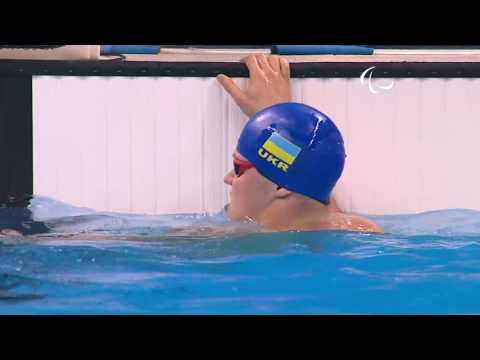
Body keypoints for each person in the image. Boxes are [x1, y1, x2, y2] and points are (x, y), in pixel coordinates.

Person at [216, 54, 382, 233]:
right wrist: (279, 116)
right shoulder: (364, 232)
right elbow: (303, 177)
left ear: (279, 186)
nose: (228, 178)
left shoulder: (212, 247)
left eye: (238, 167)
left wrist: (276, 119)